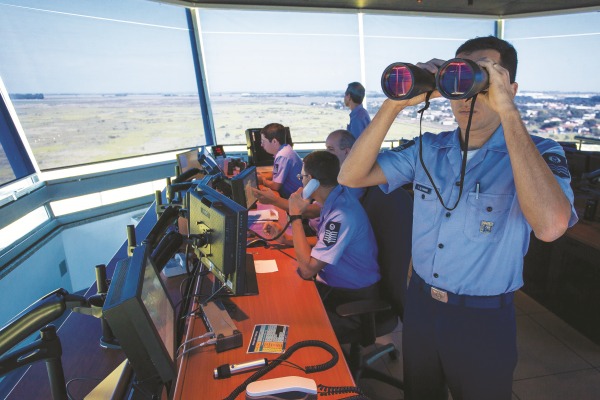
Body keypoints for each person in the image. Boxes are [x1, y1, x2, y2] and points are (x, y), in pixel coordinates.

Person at [338, 36, 578, 400]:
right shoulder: (429, 147)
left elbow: (550, 226)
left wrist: (509, 112)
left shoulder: (540, 154)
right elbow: (350, 176)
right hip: (419, 306)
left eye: (481, 80)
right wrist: (394, 105)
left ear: (508, 88)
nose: (466, 97)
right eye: (458, 82)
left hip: (481, 320)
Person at [262, 151, 381, 338]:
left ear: (311, 181)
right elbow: (324, 243)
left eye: (301, 177)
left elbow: (308, 269)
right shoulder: (337, 197)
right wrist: (286, 239)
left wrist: (295, 215)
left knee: (288, 324)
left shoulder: (341, 216)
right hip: (337, 287)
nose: (300, 181)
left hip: (350, 298)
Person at [256, 122, 302, 199]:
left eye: (263, 141)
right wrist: (260, 176)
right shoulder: (286, 149)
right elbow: (277, 174)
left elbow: (276, 186)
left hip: (293, 199)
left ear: (274, 141)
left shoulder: (282, 156)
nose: (261, 145)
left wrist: (263, 180)